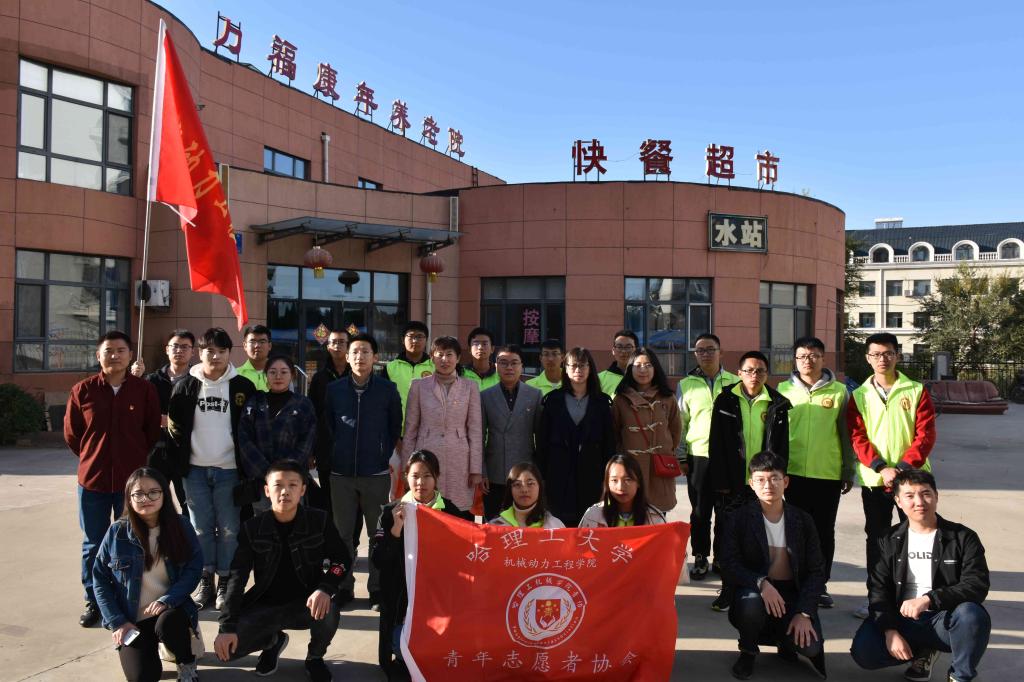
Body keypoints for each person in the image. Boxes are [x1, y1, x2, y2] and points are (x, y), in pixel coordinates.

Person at [214, 460, 351, 682]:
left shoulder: (319, 520)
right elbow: (236, 579)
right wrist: (226, 626)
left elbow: (342, 559)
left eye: (293, 485)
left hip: (307, 604)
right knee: (226, 651)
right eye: (278, 485)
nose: (285, 491)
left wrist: (326, 588)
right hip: (265, 605)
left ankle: (315, 657)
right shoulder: (252, 528)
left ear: (303, 490)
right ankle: (272, 642)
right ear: (267, 490)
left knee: (330, 609)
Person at [851, 471, 990, 682]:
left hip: (943, 619)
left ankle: (960, 676)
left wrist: (929, 599)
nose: (919, 502)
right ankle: (923, 651)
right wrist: (889, 630)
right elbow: (878, 589)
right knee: (864, 652)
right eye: (909, 496)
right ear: (898, 501)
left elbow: (976, 584)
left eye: (925, 494)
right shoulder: (887, 539)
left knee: (972, 615)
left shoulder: (963, 537)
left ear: (936, 496)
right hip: (903, 618)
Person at [65, 330, 161, 628]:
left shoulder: (143, 390)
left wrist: (133, 457)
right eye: (109, 350)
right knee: (93, 544)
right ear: (98, 355)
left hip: (131, 486)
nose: (115, 356)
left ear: (130, 355)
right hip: (92, 482)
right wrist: (92, 456)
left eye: (121, 350)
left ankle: (128, 598)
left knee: (131, 542)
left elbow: (151, 432)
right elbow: (73, 435)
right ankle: (94, 600)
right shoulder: (83, 390)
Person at [167, 327, 257, 612]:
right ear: (200, 352)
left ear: (230, 353)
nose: (215, 356)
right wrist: (180, 462)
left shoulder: (242, 387)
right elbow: (174, 429)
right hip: (194, 471)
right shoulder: (185, 386)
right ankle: (205, 578)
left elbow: (251, 429)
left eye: (221, 351)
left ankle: (225, 580)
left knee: (230, 529)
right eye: (209, 351)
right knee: (200, 528)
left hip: (230, 470)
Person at [848, 332, 936, 619]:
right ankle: (877, 600)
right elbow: (857, 436)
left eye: (887, 353)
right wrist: (880, 467)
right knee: (877, 541)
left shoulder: (916, 390)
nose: (882, 359)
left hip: (914, 481)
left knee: (919, 539)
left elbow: (925, 434)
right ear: (867, 358)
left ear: (897, 355)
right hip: (876, 481)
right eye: (876, 354)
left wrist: (903, 468)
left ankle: (918, 599)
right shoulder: (859, 395)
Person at [720, 451, 827, 681]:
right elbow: (729, 563)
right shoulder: (739, 518)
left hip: (792, 594)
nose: (768, 485)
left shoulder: (802, 520)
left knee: (811, 647)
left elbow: (817, 571)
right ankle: (748, 650)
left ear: (785, 482)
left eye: (774, 478)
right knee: (750, 604)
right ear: (751, 483)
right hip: (756, 591)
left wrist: (804, 612)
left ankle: (784, 640)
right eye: (760, 479)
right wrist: (761, 583)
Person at [92, 468, 203, 682]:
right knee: (142, 677)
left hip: (170, 610)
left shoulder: (180, 525)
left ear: (164, 494)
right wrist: (117, 622)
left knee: (169, 623)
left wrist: (167, 600)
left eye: (153, 492)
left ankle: (186, 662)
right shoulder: (117, 532)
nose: (146, 499)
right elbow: (100, 580)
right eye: (139, 494)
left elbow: (194, 568)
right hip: (133, 619)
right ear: (129, 498)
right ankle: (152, 649)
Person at [370, 450, 470, 679]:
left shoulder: (452, 513)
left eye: (427, 476)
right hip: (401, 600)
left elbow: (465, 559)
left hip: (439, 600)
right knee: (402, 650)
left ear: (436, 478)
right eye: (415, 476)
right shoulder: (390, 512)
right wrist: (395, 530)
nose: (420, 483)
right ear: (406, 477)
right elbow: (378, 560)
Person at [322, 333, 402, 608]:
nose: (360, 357)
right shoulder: (334, 390)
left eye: (366, 352)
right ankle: (343, 587)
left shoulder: (387, 390)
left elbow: (394, 426)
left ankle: (377, 589)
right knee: (343, 535)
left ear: (375, 357)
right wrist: (335, 453)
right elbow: (327, 426)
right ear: (347, 356)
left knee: (377, 533)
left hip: (375, 473)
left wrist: (381, 452)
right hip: (341, 474)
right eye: (355, 352)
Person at [708, 350, 791, 612]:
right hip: (732, 482)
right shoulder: (726, 400)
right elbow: (716, 443)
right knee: (727, 535)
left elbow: (781, 447)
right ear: (739, 373)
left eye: (760, 371)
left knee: (759, 537)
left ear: (767, 374)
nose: (754, 375)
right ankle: (727, 589)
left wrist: (776, 480)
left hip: (763, 484)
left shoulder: (777, 403)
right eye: (749, 370)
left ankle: (758, 587)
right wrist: (721, 480)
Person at [777, 337, 855, 609]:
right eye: (802, 356)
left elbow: (846, 434)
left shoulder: (840, 392)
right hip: (793, 473)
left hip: (827, 473)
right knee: (795, 530)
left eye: (813, 356)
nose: (807, 361)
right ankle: (797, 581)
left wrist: (848, 469)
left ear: (823, 358)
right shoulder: (783, 390)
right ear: (795, 360)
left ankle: (819, 585)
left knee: (823, 532)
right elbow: (776, 434)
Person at [676, 333, 739, 580]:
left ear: (721, 352)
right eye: (700, 350)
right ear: (695, 355)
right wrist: (681, 456)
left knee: (726, 511)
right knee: (700, 512)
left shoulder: (735, 381)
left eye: (710, 349)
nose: (705, 354)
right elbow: (681, 424)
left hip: (728, 458)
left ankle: (721, 557)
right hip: (698, 456)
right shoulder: (686, 384)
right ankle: (700, 556)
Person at [402, 336, 483, 512]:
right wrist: (406, 468)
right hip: (426, 452)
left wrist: (476, 469)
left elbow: (475, 430)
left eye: (449, 354)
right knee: (427, 509)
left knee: (457, 511)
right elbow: (410, 429)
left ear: (458, 358)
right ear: (432, 357)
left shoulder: (470, 387)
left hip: (459, 456)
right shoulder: (418, 386)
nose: (444, 359)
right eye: (439, 354)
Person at [536, 347, 615, 527]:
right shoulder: (553, 400)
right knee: (560, 525)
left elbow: (609, 444)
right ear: (565, 369)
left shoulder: (602, 402)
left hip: (592, 474)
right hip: (558, 473)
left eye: (582, 365)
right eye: (573, 366)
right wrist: (542, 477)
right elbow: (542, 442)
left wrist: (608, 478)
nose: (578, 370)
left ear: (590, 368)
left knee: (590, 525)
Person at [238, 355, 318, 511]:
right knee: (263, 522)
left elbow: (307, 441)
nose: (278, 376)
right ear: (265, 375)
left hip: (292, 481)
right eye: (273, 372)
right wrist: (267, 473)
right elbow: (244, 438)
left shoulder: (303, 404)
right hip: (262, 481)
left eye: (284, 372)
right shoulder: (255, 401)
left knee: (293, 520)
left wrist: (286, 472)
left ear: (292, 375)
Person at [612, 347, 682, 514]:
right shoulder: (620, 400)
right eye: (638, 365)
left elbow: (675, 431)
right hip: (630, 466)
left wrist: (664, 450)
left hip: (660, 466)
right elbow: (614, 433)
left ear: (655, 368)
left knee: (658, 517)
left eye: (648, 365)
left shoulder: (668, 398)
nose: (643, 370)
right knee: (631, 516)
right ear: (630, 369)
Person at [132, 329, 195, 510]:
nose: (179, 350)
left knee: (189, 505)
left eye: (185, 347)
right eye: (175, 346)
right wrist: (134, 379)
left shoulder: (197, 381)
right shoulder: (151, 380)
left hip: (186, 452)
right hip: (156, 452)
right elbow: (135, 409)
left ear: (193, 351)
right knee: (153, 501)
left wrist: (173, 422)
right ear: (167, 349)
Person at [480, 345, 543, 518]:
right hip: (495, 472)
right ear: (495, 365)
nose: (509, 367)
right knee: (495, 522)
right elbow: (479, 437)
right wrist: (482, 471)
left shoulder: (534, 395)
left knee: (525, 521)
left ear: (522, 366)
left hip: (525, 471)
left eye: (514, 363)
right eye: (503, 363)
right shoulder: (485, 396)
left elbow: (540, 437)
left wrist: (538, 471)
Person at [308, 329, 350, 517]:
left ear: (348, 346)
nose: (337, 346)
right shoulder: (319, 378)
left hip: (353, 451)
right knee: (328, 500)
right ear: (328, 346)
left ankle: (350, 537)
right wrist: (311, 451)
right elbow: (312, 416)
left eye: (342, 342)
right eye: (333, 342)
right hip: (326, 451)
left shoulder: (357, 375)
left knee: (351, 503)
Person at [579, 454, 667, 528]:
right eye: (614, 480)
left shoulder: (655, 518)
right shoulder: (593, 516)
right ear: (607, 483)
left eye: (628, 480)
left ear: (638, 482)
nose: (620, 487)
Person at [382, 321, 433, 431]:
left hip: (428, 431)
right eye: (411, 336)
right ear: (402, 340)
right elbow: (383, 401)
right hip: (398, 431)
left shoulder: (435, 367)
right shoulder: (390, 368)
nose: (415, 340)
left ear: (426, 340)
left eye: (419, 336)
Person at [488, 462, 565, 529]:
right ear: (510, 490)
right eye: (517, 484)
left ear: (540, 487)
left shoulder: (555, 526)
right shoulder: (495, 527)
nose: (524, 490)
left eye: (530, 484)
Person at [598, 329, 639, 397]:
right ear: (613, 350)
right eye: (619, 347)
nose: (623, 351)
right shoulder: (600, 379)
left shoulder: (644, 376)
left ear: (636, 350)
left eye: (628, 347)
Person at [237, 324, 273, 392]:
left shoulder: (279, 374)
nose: (257, 345)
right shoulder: (235, 375)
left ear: (269, 346)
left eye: (262, 342)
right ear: (245, 346)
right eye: (252, 341)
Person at [463, 326, 500, 391]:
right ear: (469, 349)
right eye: (476, 344)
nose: (480, 347)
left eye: (484, 344)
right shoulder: (460, 374)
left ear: (492, 349)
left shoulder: (500, 373)